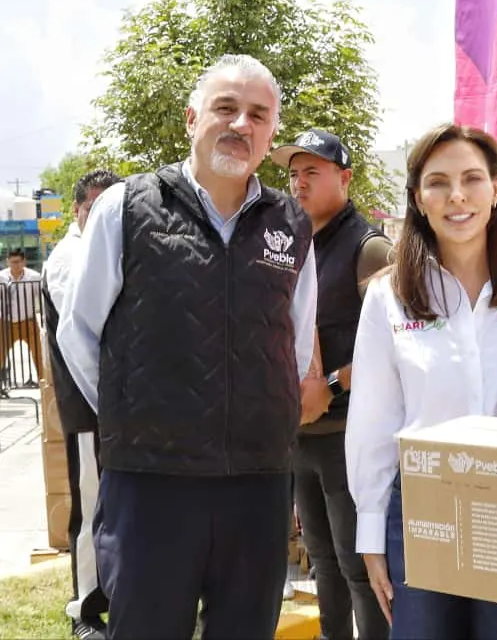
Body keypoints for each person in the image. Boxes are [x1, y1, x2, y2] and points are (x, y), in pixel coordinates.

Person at [56, 54, 318, 639]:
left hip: (257, 482)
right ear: (192, 118)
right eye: (226, 108)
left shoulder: (291, 224)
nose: (241, 124)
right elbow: (79, 330)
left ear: (271, 133)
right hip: (152, 484)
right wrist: (134, 413)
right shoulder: (126, 208)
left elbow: (295, 343)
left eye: (258, 115)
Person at [345, 123, 497, 640]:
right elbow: (373, 422)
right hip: (423, 511)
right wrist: (371, 535)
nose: (457, 196)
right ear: (417, 199)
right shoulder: (389, 296)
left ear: (495, 191)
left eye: (472, 179)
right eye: (438, 182)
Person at [271, 128, 393, 640]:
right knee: (322, 559)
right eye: (293, 174)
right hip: (301, 437)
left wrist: (334, 386)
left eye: (312, 173)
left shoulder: (371, 250)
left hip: (350, 438)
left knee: (359, 566)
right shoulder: (290, 243)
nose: (298, 183)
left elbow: (396, 347)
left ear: (344, 178)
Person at [40, 169, 122, 640]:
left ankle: (116, 595)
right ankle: (85, 610)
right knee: (92, 506)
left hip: (115, 408)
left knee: (117, 505)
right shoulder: (69, 257)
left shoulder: (103, 249)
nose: (104, 215)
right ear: (76, 210)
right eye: (94, 207)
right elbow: (84, 333)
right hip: (90, 406)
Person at [0, 247, 43, 387]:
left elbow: (42, 297)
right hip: (5, 322)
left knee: (38, 354)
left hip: (28, 321)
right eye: (12, 262)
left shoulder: (34, 277)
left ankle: (43, 382)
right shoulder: (1, 277)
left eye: (18, 262)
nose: (15, 265)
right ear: (7, 262)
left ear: (24, 261)